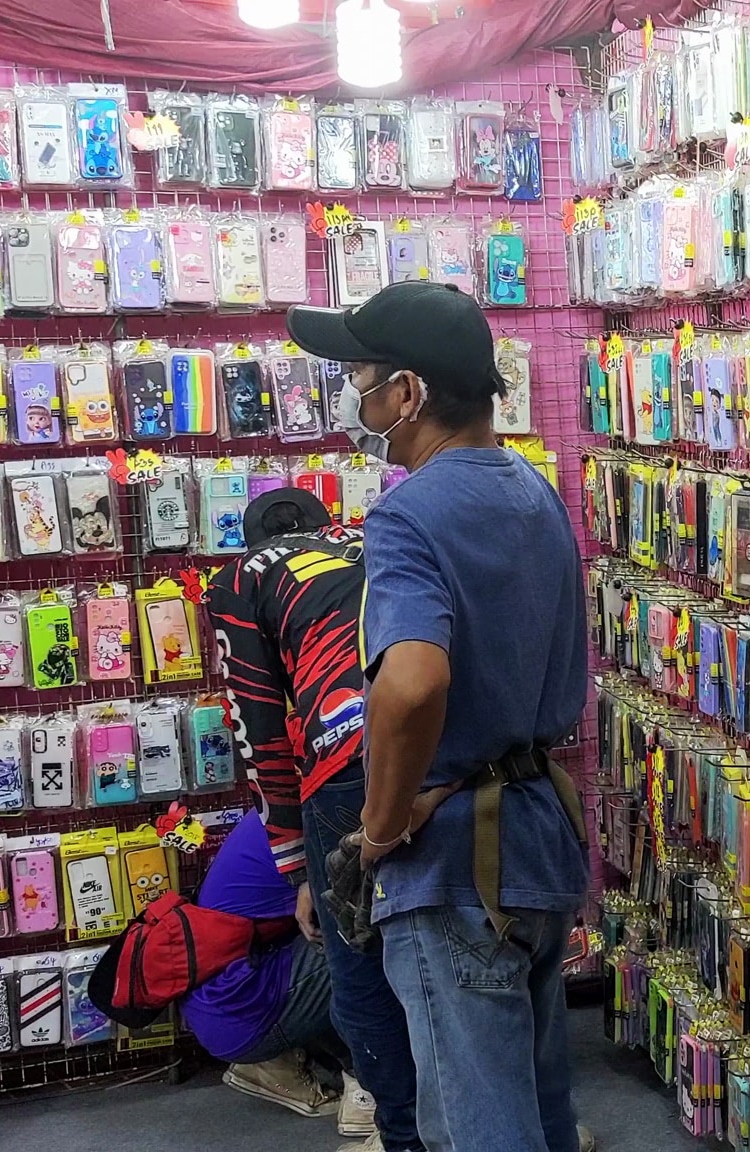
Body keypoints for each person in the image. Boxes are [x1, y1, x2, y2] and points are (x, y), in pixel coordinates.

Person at [288, 281, 593, 1152]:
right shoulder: (534, 490)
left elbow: (413, 684)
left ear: (408, 393)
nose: (356, 397)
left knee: (473, 1125)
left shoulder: (407, 514)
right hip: (538, 836)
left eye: (362, 378)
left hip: (457, 863)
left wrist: (380, 828)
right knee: (537, 1107)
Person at [208, 488, 423, 1152]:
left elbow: (259, 727)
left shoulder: (240, 579)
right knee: (449, 945)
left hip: (346, 750)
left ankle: (401, 1136)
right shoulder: (373, 536)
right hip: (447, 737)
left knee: (359, 965)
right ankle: (520, 1124)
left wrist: (298, 863)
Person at [182, 809, 342, 1119]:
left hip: (224, 1007)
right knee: (361, 945)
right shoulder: (323, 817)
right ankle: (366, 1092)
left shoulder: (277, 813)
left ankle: (275, 1063)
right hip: (241, 1011)